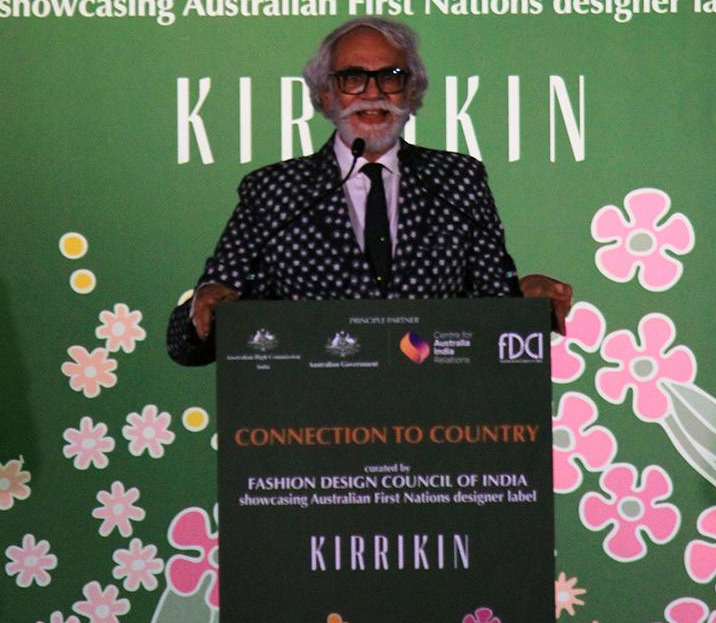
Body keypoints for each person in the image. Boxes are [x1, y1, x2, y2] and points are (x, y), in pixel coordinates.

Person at [167, 18, 571, 365]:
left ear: (411, 92)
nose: (373, 93)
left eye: (391, 77)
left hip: (438, 412)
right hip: (309, 417)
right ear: (325, 94)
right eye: (353, 78)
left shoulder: (458, 180)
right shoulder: (273, 193)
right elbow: (193, 338)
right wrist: (203, 311)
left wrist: (529, 302)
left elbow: (495, 308)